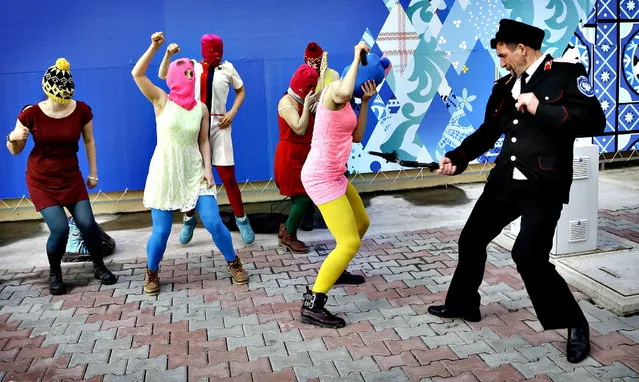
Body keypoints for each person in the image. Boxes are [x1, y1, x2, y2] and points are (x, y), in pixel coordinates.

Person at [427, 19, 606, 364]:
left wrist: (542, 108)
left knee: (528, 256)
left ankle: (576, 323)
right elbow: (488, 132)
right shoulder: (505, 86)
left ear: (523, 49)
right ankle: (464, 303)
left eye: (505, 54)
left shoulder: (565, 75)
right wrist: (457, 157)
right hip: (505, 180)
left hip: (543, 185)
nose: (502, 61)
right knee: (472, 238)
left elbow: (594, 121)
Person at [132, 32, 248, 295]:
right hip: (166, 173)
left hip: (195, 172)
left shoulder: (201, 109)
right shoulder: (161, 100)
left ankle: (234, 263)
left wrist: (208, 170)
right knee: (161, 233)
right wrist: (154, 47)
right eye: (185, 74)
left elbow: (204, 142)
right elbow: (138, 75)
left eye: (191, 74)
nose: (190, 77)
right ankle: (151, 272)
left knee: (213, 221)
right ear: (174, 77)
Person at [6, 59, 117, 295]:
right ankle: (55, 274)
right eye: (59, 96)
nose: (63, 101)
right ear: (48, 90)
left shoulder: (82, 110)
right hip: (41, 180)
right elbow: (15, 151)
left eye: (66, 96)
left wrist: (94, 173)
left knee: (88, 224)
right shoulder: (30, 114)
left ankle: (99, 266)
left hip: (70, 176)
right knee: (60, 230)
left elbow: (89, 140)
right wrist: (12, 137)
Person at [299, 42, 388, 328]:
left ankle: (337, 270)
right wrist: (355, 57)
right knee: (349, 242)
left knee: (361, 223)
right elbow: (346, 90)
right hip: (320, 177)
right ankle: (313, 303)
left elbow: (358, 136)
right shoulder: (334, 91)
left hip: (336, 174)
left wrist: (365, 102)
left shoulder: (349, 101)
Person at [159, 34, 255, 246]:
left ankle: (242, 219)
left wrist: (233, 112)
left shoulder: (228, 69)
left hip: (220, 125)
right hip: (194, 123)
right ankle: (189, 219)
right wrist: (167, 53)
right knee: (193, 176)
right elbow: (164, 75)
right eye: (212, 50)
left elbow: (241, 91)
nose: (216, 55)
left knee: (228, 176)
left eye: (218, 50)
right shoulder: (192, 66)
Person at [275, 64, 320, 254]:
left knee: (301, 198)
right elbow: (299, 128)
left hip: (305, 155)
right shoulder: (287, 101)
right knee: (302, 197)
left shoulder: (303, 99)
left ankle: (286, 230)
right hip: (290, 155)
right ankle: (288, 235)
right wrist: (309, 105)